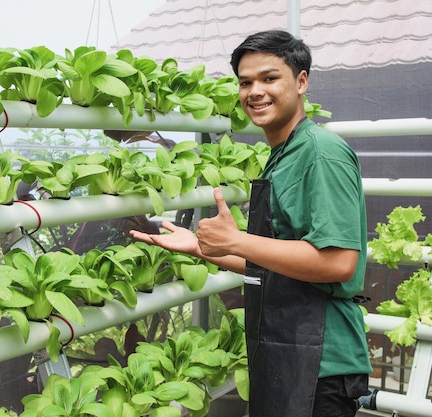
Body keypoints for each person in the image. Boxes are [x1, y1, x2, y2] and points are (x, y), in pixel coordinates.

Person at [130, 30, 372, 417]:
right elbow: (279, 268)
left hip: (319, 363)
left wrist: (237, 240)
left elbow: (338, 262)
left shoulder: (321, 153)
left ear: (302, 81)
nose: (255, 91)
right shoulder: (283, 154)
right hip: (285, 353)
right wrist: (203, 248)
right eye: (246, 82)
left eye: (269, 78)